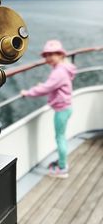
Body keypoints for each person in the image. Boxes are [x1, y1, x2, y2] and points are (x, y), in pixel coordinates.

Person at [21, 40, 77, 178]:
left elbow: (46, 89)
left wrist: (28, 93)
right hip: (66, 107)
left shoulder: (58, 72)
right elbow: (53, 85)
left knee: (60, 138)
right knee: (61, 136)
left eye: (53, 54)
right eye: (47, 55)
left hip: (62, 110)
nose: (49, 57)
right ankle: (62, 162)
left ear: (61, 55)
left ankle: (63, 168)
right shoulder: (64, 68)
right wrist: (47, 85)